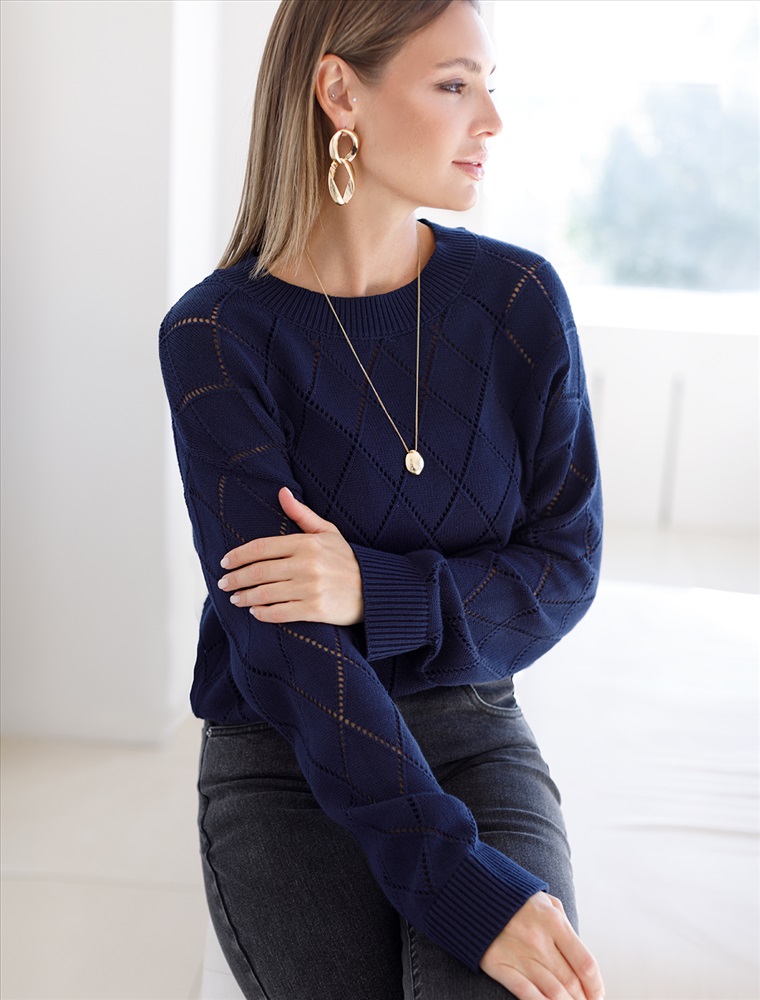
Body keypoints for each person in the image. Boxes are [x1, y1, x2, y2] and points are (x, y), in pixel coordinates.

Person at [158, 1, 605, 997]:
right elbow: (283, 644)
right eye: (453, 85)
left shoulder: (520, 302)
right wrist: (460, 883)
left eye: (489, 85)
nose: (491, 119)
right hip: (286, 756)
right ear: (339, 92)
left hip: (472, 729)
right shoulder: (216, 335)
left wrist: (375, 588)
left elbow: (565, 567)